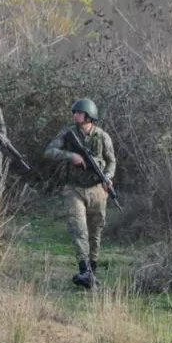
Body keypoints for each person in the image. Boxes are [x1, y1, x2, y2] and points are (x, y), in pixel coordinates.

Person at [44, 98, 116, 289]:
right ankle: (84, 269)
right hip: (73, 189)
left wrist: (108, 176)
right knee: (79, 229)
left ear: (89, 115)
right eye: (74, 112)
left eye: (78, 112)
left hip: (97, 190)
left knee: (95, 231)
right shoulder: (68, 134)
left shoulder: (102, 137)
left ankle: (91, 272)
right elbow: (49, 151)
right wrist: (70, 156)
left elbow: (111, 161)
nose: (75, 115)